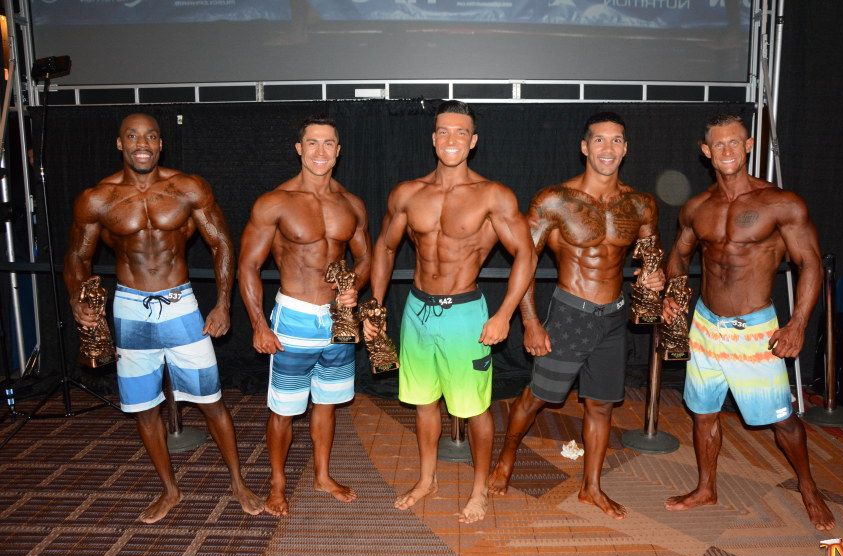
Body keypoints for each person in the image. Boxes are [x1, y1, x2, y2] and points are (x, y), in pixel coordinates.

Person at [64, 113, 264, 523]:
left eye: (151, 137)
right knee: (144, 408)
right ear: (120, 143)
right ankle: (170, 490)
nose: (143, 144)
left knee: (211, 400)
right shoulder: (97, 199)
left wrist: (223, 304)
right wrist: (76, 299)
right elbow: (78, 257)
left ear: (160, 144)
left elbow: (222, 243)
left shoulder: (187, 188)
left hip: (180, 304)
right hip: (129, 307)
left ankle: (238, 482)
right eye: (133, 137)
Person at [487, 111, 665, 519]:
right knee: (536, 397)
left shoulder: (641, 204)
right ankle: (506, 456)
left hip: (613, 318)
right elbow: (526, 262)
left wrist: (654, 279)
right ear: (585, 147)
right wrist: (530, 322)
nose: (608, 148)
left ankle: (591, 487)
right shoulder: (554, 200)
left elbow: (651, 259)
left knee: (601, 406)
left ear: (626, 148)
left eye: (616, 140)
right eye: (599, 140)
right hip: (570, 314)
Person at [365, 100, 536, 523]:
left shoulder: (493, 196)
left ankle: (478, 490)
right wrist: (376, 306)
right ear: (433, 138)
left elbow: (526, 254)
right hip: (418, 312)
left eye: (461, 132)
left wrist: (505, 314)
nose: (451, 139)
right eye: (444, 131)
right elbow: (385, 247)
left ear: (473, 141)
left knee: (474, 408)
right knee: (424, 403)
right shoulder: (408, 194)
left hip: (464, 314)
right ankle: (427, 479)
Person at [661, 114, 835, 531]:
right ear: (706, 152)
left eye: (734, 142)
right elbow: (679, 256)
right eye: (718, 144)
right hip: (705, 326)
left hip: (754, 330)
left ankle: (809, 487)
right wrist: (673, 295)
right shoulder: (697, 207)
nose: (726, 150)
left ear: (749, 145)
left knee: (782, 419)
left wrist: (797, 324)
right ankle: (706, 488)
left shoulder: (780, 203)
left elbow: (810, 263)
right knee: (703, 412)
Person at [239, 115, 371, 515]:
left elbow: (365, 258)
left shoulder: (351, 204)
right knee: (284, 409)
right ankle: (277, 485)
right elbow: (248, 265)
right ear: (299, 149)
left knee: (327, 402)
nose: (320, 151)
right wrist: (259, 324)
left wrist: (354, 286)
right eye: (312, 143)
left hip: (337, 319)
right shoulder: (275, 202)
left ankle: (322, 475)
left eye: (328, 143)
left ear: (338, 151)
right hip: (294, 317)